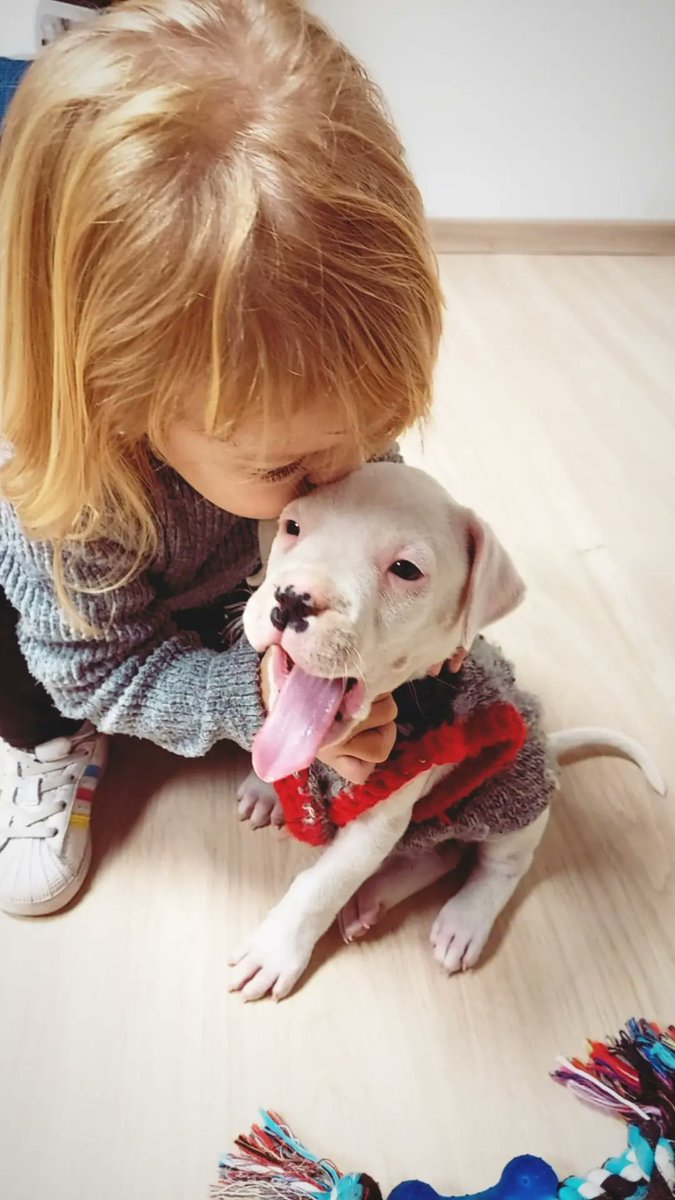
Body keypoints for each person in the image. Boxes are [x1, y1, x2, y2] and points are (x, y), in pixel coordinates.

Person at [0, 0, 442, 917]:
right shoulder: (72, 495)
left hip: (218, 586)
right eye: (293, 470)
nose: (351, 471)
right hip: (75, 639)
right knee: (28, 673)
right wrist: (254, 699)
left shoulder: (301, 430)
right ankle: (43, 750)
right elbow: (104, 666)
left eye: (368, 432)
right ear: (119, 396)